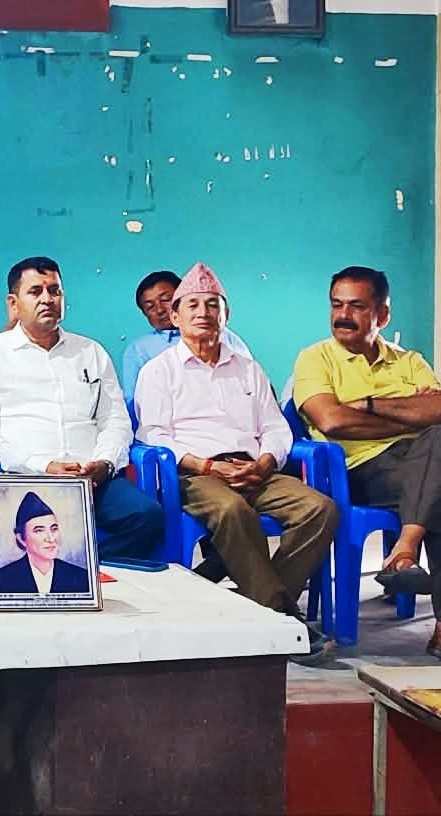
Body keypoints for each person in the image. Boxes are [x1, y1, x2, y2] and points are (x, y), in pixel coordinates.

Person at [136, 263, 335, 663]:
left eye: (213, 305)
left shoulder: (248, 368)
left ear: (226, 315)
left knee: (321, 510)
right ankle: (282, 617)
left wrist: (265, 461)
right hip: (195, 474)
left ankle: (259, 605)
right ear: (175, 317)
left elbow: (275, 427)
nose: (203, 313)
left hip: (252, 469)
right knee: (232, 511)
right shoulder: (158, 371)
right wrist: (207, 467)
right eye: (193, 305)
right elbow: (152, 435)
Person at [291, 266, 441, 666]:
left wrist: (367, 404)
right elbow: (331, 420)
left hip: (418, 462)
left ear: (382, 315)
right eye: (336, 305)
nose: (343, 315)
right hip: (357, 470)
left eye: (356, 306)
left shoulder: (409, 360)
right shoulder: (315, 359)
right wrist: (406, 416)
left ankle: (404, 548)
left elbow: (439, 410)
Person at [0, 256, 163, 562]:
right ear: (14, 303)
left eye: (54, 291)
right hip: (24, 479)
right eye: (35, 291)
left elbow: (116, 420)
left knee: (146, 516)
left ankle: (86, 570)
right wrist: (44, 466)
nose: (47, 299)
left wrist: (104, 463)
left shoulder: (90, 352)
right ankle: (69, 570)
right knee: (25, 536)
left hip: (90, 479)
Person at [118, 266, 252, 401]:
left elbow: (251, 381)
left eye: (166, 299)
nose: (159, 310)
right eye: (150, 307)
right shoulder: (139, 349)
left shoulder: (223, 335)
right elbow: (133, 399)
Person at [0, 492, 91, 594]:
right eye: (39, 531)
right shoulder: (1, 579)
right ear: (21, 539)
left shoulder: (81, 577)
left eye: (54, 529)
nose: (51, 538)